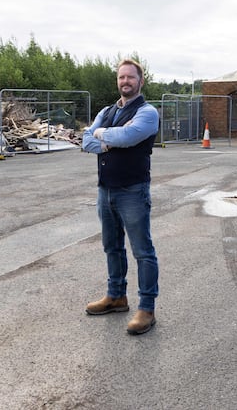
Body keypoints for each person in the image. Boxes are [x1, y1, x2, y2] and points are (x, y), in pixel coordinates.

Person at [82, 59, 160, 335]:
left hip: (133, 191)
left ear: (141, 81)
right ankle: (116, 296)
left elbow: (129, 137)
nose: (125, 81)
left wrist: (102, 136)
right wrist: (105, 140)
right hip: (106, 190)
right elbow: (85, 140)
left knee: (143, 251)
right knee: (111, 246)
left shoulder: (148, 113)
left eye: (130, 77)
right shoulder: (106, 111)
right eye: (121, 77)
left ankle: (147, 309)